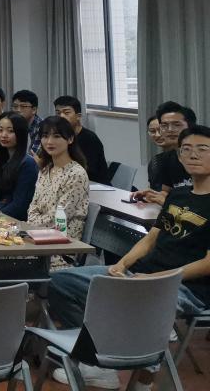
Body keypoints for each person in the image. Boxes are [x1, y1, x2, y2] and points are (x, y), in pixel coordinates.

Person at [47, 124, 210, 390]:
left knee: (145, 300)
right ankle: (97, 363)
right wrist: (122, 264)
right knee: (59, 282)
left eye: (202, 149)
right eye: (187, 149)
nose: (193, 155)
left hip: (187, 288)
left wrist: (157, 278)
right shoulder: (177, 196)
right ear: (179, 156)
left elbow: (207, 264)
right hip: (142, 274)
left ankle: (143, 379)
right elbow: (150, 239)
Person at [27, 116, 89, 267]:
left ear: (70, 139)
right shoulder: (45, 170)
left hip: (60, 250)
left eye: (56, 136)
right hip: (36, 238)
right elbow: (32, 208)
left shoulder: (76, 174)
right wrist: (31, 227)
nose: (49, 142)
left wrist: (30, 226)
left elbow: (58, 219)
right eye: (45, 136)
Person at [137, 101, 196, 206]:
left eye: (176, 125)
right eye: (164, 125)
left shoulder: (204, 157)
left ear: (190, 127)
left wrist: (168, 202)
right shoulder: (165, 159)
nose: (170, 130)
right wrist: (152, 195)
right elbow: (165, 192)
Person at [0, 112, 39, 221]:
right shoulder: (2, 159)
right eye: (0, 130)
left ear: (21, 133)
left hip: (13, 221)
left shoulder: (28, 164)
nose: (4, 135)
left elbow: (19, 206)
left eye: (10, 131)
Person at [52, 95, 110, 184]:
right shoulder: (59, 137)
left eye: (66, 113)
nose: (61, 116)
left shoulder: (90, 138)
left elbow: (88, 170)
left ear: (78, 116)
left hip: (94, 185)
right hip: (68, 182)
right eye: (58, 113)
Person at [11, 89, 42, 155]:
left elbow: (33, 156)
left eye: (23, 106)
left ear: (34, 110)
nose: (18, 110)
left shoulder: (42, 127)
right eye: (15, 106)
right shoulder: (11, 124)